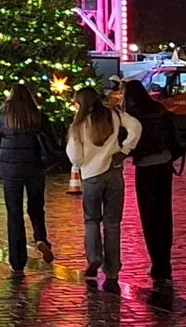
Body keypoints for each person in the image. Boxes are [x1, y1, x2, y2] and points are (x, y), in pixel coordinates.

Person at [65, 85, 142, 281]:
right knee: (113, 223)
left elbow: (75, 155)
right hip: (114, 173)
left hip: (91, 175)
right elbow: (136, 127)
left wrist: (80, 163)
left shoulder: (79, 124)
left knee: (91, 220)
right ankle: (113, 269)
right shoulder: (113, 115)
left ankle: (94, 257)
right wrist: (125, 150)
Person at [0, 84, 54, 273]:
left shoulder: (2, 117)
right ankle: (41, 237)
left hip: (10, 169)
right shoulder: (38, 117)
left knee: (14, 213)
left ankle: (17, 260)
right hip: (34, 167)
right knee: (36, 207)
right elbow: (50, 138)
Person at [123, 80, 177, 281]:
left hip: (145, 167)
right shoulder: (158, 108)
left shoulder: (133, 115)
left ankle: (158, 262)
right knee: (164, 213)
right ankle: (166, 261)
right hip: (165, 164)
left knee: (149, 216)